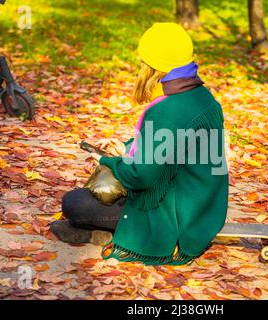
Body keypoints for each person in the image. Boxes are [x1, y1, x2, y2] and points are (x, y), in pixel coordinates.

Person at [51, 22, 229, 265]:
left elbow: (141, 177)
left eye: (143, 61)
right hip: (205, 208)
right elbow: (173, 145)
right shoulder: (204, 98)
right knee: (89, 199)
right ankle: (99, 233)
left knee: (74, 203)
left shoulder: (167, 109)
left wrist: (107, 160)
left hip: (176, 217)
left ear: (153, 66)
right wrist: (127, 148)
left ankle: (104, 235)